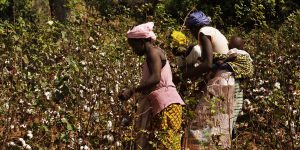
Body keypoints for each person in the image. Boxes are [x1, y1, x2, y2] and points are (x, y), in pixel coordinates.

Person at [118, 22, 185, 149]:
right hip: (164, 104)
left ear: (143, 41)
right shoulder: (154, 53)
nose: (134, 50)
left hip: (166, 105)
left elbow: (155, 78)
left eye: (134, 46)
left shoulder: (153, 53)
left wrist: (132, 90)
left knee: (167, 144)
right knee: (161, 143)